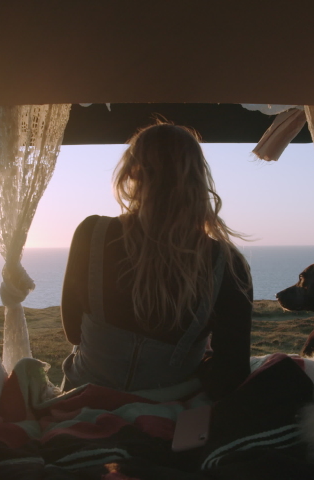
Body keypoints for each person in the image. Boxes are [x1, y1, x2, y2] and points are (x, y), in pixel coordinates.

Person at [60, 123, 253, 400]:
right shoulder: (229, 262)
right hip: (169, 417)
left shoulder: (92, 232)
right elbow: (233, 372)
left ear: (131, 172)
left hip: (82, 402)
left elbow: (74, 333)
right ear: (199, 179)